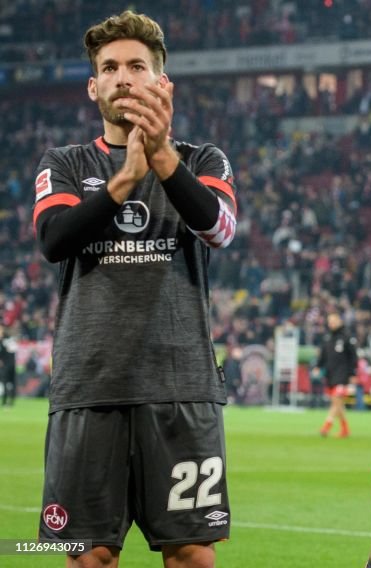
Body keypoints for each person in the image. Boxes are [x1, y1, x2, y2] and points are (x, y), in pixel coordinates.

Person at [33, 11, 237, 567]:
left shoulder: (203, 159)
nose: (123, 77)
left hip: (181, 384)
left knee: (192, 553)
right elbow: (53, 240)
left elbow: (220, 229)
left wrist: (161, 156)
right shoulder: (66, 163)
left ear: (161, 82)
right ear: (93, 85)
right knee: (90, 555)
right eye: (110, 67)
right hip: (89, 386)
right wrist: (124, 179)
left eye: (137, 66)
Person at [314, 312, 358, 438]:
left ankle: (326, 426)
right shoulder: (327, 337)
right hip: (330, 375)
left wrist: (353, 373)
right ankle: (345, 429)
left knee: (336, 400)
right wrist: (318, 366)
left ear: (340, 321)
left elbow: (353, 357)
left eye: (333, 321)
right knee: (338, 403)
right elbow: (323, 354)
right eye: (330, 321)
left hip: (342, 375)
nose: (331, 323)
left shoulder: (347, 337)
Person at [0, 325, 16, 407]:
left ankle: (5, 401)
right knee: (11, 383)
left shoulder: (3, 341)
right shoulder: (12, 340)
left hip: (6, 365)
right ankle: (11, 401)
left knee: (5, 383)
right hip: (12, 364)